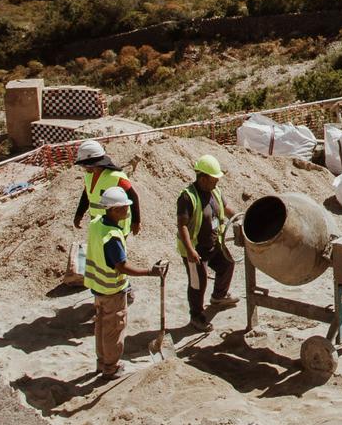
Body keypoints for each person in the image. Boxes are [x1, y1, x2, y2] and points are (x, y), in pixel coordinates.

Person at [82, 187, 164, 380]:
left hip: (98, 288)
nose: (127, 211)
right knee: (114, 330)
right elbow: (122, 266)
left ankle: (102, 362)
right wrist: (150, 272)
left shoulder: (95, 224)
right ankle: (111, 368)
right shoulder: (112, 236)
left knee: (101, 327)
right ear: (113, 209)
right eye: (124, 207)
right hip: (112, 291)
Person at [177, 155, 238, 330]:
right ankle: (196, 316)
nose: (216, 182)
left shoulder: (215, 192)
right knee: (198, 283)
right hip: (195, 249)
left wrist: (240, 218)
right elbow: (182, 226)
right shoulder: (187, 197)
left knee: (227, 265)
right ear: (203, 178)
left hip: (213, 244)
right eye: (214, 179)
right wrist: (189, 250)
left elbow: (226, 209)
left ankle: (219, 296)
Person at [72, 140, 142, 233]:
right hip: (97, 222)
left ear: (92, 164)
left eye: (84, 165)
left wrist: (136, 222)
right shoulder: (89, 176)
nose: (84, 168)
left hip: (116, 224)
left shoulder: (116, 177)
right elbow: (86, 195)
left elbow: (133, 196)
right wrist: (79, 215)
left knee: (113, 247)